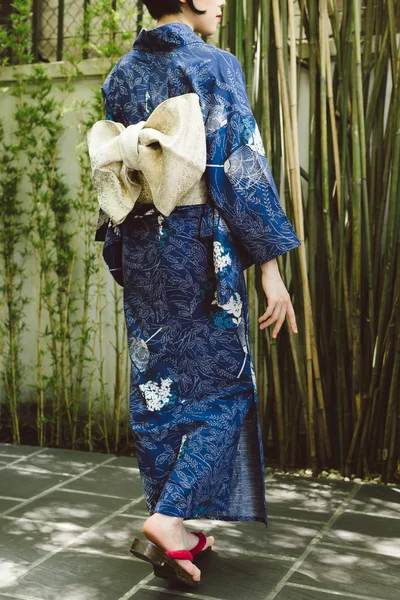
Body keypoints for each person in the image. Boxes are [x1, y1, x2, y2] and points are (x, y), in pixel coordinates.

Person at [90, 0, 301, 586]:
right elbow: (240, 168)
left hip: (141, 244)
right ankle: (168, 514)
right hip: (199, 248)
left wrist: (119, 249)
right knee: (226, 389)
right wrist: (269, 269)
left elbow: (119, 173)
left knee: (156, 386)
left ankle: (176, 533)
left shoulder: (120, 75)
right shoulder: (215, 65)